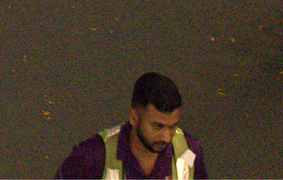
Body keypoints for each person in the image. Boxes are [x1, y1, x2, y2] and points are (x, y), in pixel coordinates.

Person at [54, 72, 206, 179]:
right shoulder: (92, 157)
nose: (166, 137)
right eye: (158, 126)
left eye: (172, 126)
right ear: (134, 117)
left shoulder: (189, 152)